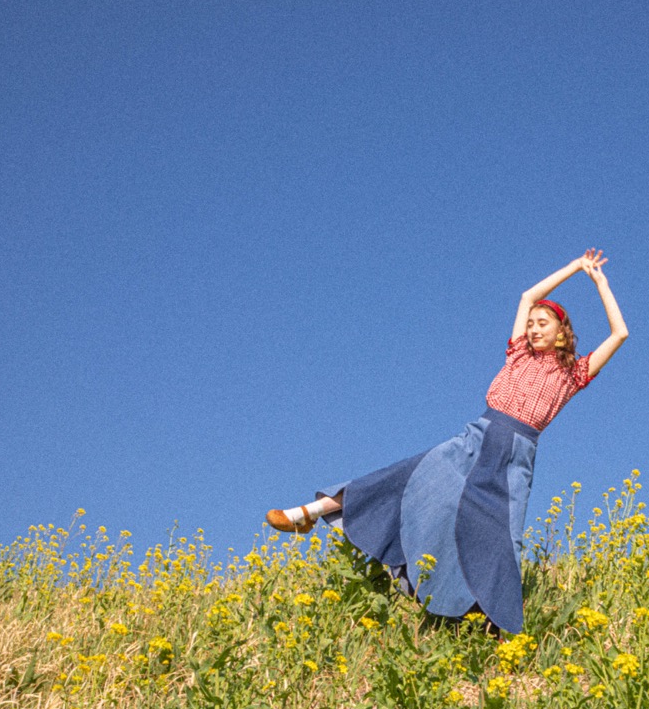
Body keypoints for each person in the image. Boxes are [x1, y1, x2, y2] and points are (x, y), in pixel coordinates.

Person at [265, 249, 628, 635]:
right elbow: (526, 296)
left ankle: (498, 629)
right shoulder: (518, 354)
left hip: (516, 457)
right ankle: (309, 511)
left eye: (544, 323)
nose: (535, 328)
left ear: (562, 333)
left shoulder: (574, 373)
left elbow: (620, 333)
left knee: (505, 539)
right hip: (478, 437)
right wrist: (573, 267)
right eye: (533, 323)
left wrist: (599, 282)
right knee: (408, 479)